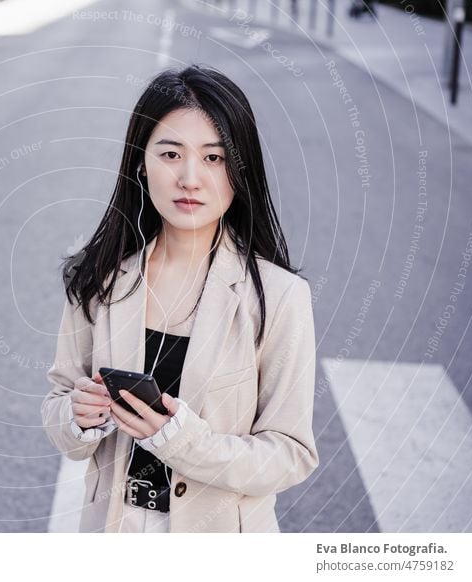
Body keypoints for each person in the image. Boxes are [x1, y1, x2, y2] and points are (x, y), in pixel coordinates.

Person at [40, 64, 319, 533]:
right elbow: (60, 409)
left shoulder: (278, 296)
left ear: (240, 170)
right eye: (171, 154)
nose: (190, 178)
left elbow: (290, 455)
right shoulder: (100, 277)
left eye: (213, 158)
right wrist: (77, 416)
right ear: (140, 162)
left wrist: (182, 442)